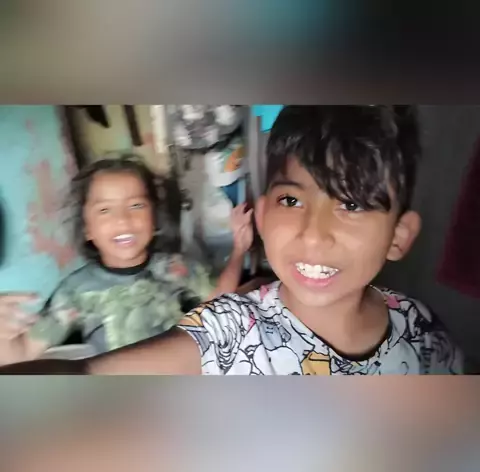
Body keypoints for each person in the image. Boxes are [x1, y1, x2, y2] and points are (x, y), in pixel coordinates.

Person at [0, 106, 464, 375]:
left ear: (399, 236)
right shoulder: (229, 328)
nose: (313, 233)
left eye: (353, 204)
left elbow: (217, 294)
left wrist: (241, 253)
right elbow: (67, 369)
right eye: (291, 200)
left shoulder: (422, 331)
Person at [0, 156, 253, 365]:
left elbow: (219, 298)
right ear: (87, 230)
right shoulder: (75, 292)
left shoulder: (174, 267)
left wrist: (239, 248)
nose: (122, 220)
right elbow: (21, 353)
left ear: (154, 220)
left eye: (136, 206)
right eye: (104, 210)